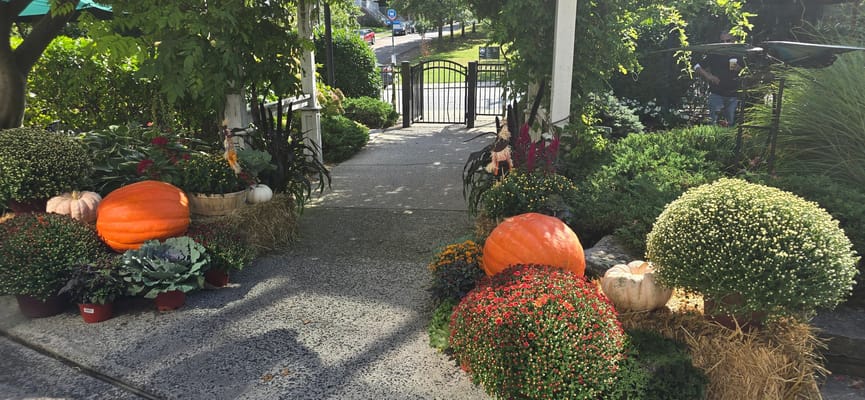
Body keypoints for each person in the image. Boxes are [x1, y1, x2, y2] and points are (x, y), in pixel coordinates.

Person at [694, 30, 743, 126]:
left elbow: (746, 70)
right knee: (716, 123)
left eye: (728, 40)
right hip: (717, 93)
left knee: (730, 124)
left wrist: (739, 68)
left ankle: (728, 141)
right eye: (722, 41)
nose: (725, 43)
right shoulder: (715, 54)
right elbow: (697, 66)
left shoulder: (738, 54)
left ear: (734, 41)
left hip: (733, 94)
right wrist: (709, 76)